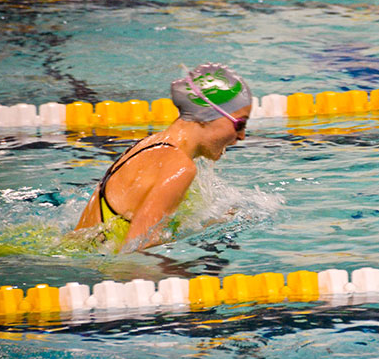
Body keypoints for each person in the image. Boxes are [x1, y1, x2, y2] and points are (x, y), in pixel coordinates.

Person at [74, 63, 251, 253]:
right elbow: (138, 251)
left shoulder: (152, 144)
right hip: (96, 273)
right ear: (208, 115)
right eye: (239, 125)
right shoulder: (179, 167)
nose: (242, 136)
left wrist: (213, 225)